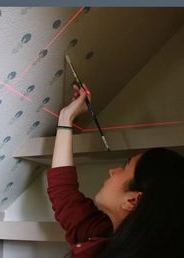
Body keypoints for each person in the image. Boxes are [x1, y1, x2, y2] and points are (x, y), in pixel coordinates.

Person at [47, 84, 184, 258]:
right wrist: (66, 118)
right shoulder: (103, 230)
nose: (113, 171)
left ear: (133, 200)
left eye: (125, 168)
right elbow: (64, 193)